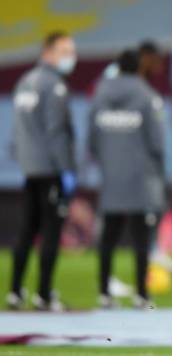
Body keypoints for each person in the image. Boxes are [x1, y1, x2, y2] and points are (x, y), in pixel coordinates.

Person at [88, 50, 166, 309]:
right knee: (141, 238)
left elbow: (92, 139)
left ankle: (104, 293)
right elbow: (156, 142)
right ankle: (141, 294)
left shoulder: (100, 93)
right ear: (137, 68)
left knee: (107, 238)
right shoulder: (146, 95)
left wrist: (108, 162)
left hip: (111, 177)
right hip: (140, 178)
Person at [7, 31, 78, 311]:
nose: (70, 57)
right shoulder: (53, 85)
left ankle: (15, 291)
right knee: (51, 230)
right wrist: (66, 169)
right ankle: (44, 294)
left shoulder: (25, 82)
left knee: (27, 229)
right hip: (50, 168)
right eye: (64, 51)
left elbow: (19, 130)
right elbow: (56, 132)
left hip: (30, 168)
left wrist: (26, 159)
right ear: (47, 52)